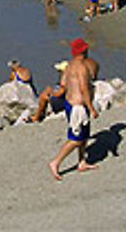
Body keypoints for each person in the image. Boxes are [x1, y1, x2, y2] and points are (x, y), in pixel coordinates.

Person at [48, 38, 99, 181]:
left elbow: (63, 84)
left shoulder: (69, 66)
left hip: (70, 104)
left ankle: (82, 162)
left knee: (84, 136)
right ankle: (56, 162)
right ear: (84, 51)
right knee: (76, 139)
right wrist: (92, 108)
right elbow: (83, 89)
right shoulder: (82, 67)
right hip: (79, 106)